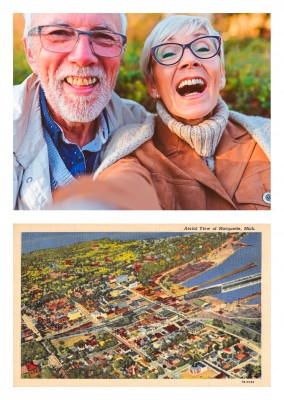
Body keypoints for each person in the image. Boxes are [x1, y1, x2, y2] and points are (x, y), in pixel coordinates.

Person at [71, 14, 270, 210]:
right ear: (153, 85)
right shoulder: (133, 149)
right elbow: (122, 188)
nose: (190, 60)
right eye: (168, 54)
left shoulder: (268, 135)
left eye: (202, 48)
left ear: (222, 75)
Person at [13, 13, 159, 210]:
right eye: (59, 34)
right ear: (30, 52)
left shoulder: (143, 128)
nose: (82, 57)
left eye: (103, 37)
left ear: (121, 53)